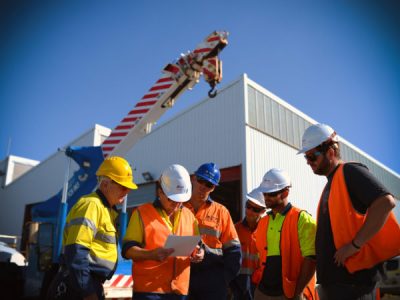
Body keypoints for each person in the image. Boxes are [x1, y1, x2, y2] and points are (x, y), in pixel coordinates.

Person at [298, 123, 400, 300]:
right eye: (306, 158)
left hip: (354, 286)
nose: (308, 162)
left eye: (312, 156)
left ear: (330, 152)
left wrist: (354, 245)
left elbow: (385, 202)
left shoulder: (350, 171)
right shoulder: (332, 184)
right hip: (337, 286)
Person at [46, 156, 138, 300]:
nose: (126, 192)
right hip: (77, 287)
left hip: (86, 283)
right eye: (123, 187)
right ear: (105, 184)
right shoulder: (91, 205)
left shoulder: (105, 210)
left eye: (128, 189)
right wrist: (88, 291)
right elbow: (76, 253)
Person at [122, 164, 204, 300]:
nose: (176, 205)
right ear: (160, 192)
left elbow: (198, 244)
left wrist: (199, 252)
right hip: (149, 291)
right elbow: (127, 250)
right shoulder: (141, 213)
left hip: (180, 291)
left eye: (180, 201)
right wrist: (151, 254)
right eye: (172, 199)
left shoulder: (189, 216)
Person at [253, 168, 317, 300]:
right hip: (263, 292)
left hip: (291, 293)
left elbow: (311, 259)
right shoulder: (263, 222)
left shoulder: (302, 219)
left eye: (270, 194)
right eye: (264, 193)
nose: (266, 197)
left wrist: (298, 292)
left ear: (285, 193)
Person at [184, 162, 242, 300]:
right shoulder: (178, 208)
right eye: (201, 181)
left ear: (213, 188)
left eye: (208, 185)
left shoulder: (221, 212)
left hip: (212, 283)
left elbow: (234, 251)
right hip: (183, 278)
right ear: (193, 178)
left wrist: (222, 279)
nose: (203, 187)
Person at [230, 188, 266, 300]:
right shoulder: (234, 230)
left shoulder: (267, 231)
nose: (249, 211)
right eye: (248, 206)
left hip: (260, 285)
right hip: (237, 286)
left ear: (263, 211)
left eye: (255, 209)